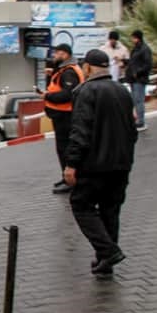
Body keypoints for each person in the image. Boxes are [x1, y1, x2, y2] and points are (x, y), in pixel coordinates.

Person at [63, 48, 138, 276]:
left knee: (81, 205)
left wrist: (71, 164)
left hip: (94, 165)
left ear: (87, 67)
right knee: (110, 210)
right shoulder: (122, 90)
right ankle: (105, 262)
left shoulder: (85, 91)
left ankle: (108, 251)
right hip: (121, 164)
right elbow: (133, 128)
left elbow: (80, 131)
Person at [38, 43, 85, 194]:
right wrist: (50, 74)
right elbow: (57, 86)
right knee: (63, 148)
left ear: (64, 54)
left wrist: (47, 96)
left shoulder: (69, 72)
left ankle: (70, 181)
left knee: (65, 148)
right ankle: (66, 177)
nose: (54, 56)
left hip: (66, 115)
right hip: (62, 115)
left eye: (56, 53)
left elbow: (67, 94)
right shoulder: (64, 70)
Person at [124, 30, 153, 131]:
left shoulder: (144, 49)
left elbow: (148, 64)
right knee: (134, 100)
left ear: (137, 38)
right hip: (133, 79)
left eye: (133, 38)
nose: (132, 40)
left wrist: (138, 72)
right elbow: (133, 62)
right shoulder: (136, 49)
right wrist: (124, 61)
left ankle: (141, 122)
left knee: (139, 100)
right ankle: (137, 120)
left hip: (139, 79)